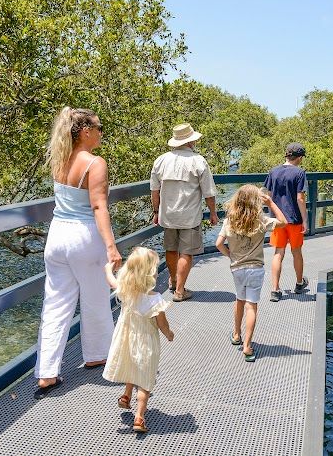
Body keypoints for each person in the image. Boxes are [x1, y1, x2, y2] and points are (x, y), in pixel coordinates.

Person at [33, 107, 122, 400]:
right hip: (84, 237)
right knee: (95, 300)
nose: (101, 133)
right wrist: (111, 246)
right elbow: (98, 207)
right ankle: (98, 355)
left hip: (57, 236)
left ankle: (46, 372)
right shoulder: (95, 163)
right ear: (85, 132)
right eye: (98, 128)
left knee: (55, 305)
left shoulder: (60, 158)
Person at [103, 247, 174, 433]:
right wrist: (169, 334)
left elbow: (111, 281)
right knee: (144, 379)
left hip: (126, 340)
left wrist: (108, 269)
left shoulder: (125, 290)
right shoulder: (154, 299)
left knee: (132, 367)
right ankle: (139, 417)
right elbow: (162, 324)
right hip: (146, 343)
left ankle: (126, 396)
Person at [215, 185, 287, 362]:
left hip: (237, 268)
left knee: (239, 299)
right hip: (256, 269)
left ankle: (236, 334)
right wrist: (271, 203)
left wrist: (230, 255)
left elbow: (218, 244)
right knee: (251, 306)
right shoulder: (261, 220)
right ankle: (247, 346)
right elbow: (283, 222)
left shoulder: (229, 221)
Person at [150, 123, 218, 302]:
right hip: (189, 216)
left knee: (171, 249)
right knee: (186, 252)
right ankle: (180, 291)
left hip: (168, 215)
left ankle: (173, 281)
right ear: (190, 142)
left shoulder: (161, 160)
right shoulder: (198, 161)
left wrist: (156, 212)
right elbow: (209, 192)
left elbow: (154, 191)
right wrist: (213, 213)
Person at [264, 142, 309, 302]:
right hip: (294, 219)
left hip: (278, 220)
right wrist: (305, 219)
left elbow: (268, 196)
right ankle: (299, 283)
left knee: (278, 253)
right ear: (300, 157)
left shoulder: (273, 172)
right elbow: (300, 198)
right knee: (296, 252)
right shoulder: (300, 173)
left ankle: (275, 290)